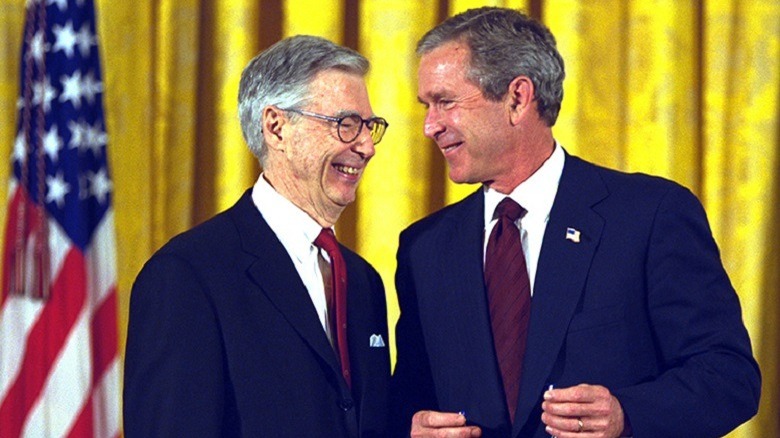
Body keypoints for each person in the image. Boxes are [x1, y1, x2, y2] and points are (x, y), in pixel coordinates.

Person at [390, 7, 760, 438]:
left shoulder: (650, 216)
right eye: (426, 106)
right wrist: (409, 427)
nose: (429, 126)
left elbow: (729, 377)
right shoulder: (426, 247)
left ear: (517, 98)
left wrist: (626, 414)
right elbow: (408, 399)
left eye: (445, 102)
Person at [123, 35, 391, 437]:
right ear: (276, 127)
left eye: (369, 127)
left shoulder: (363, 280)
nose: (367, 147)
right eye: (346, 125)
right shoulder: (188, 276)